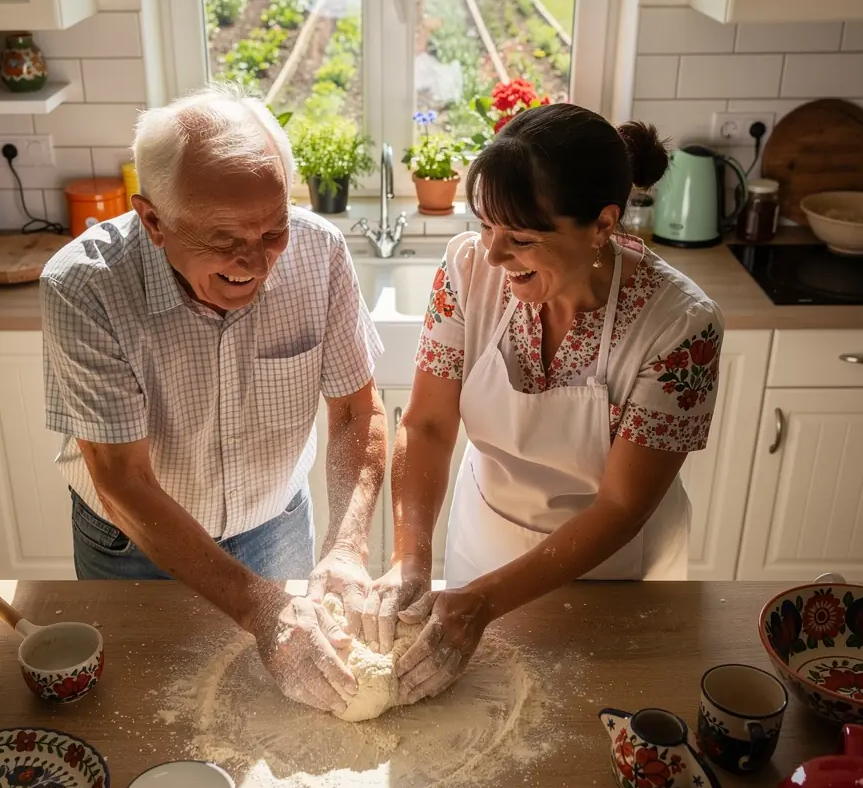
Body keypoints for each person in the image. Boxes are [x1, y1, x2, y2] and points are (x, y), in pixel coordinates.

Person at [40, 84, 387, 715]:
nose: (256, 262)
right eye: (224, 238)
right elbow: (122, 481)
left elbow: (357, 413)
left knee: (282, 715)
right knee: (145, 711)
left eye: (272, 231)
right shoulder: (84, 287)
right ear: (152, 221)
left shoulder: (320, 253)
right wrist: (261, 608)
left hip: (275, 524)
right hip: (134, 545)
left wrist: (346, 544)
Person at [364, 103, 724, 703]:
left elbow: (620, 504)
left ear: (603, 225)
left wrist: (484, 602)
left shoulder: (680, 326)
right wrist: (410, 557)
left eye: (522, 239)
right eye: (485, 227)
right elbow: (427, 424)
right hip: (484, 546)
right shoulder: (466, 269)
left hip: (611, 568)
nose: (495, 256)